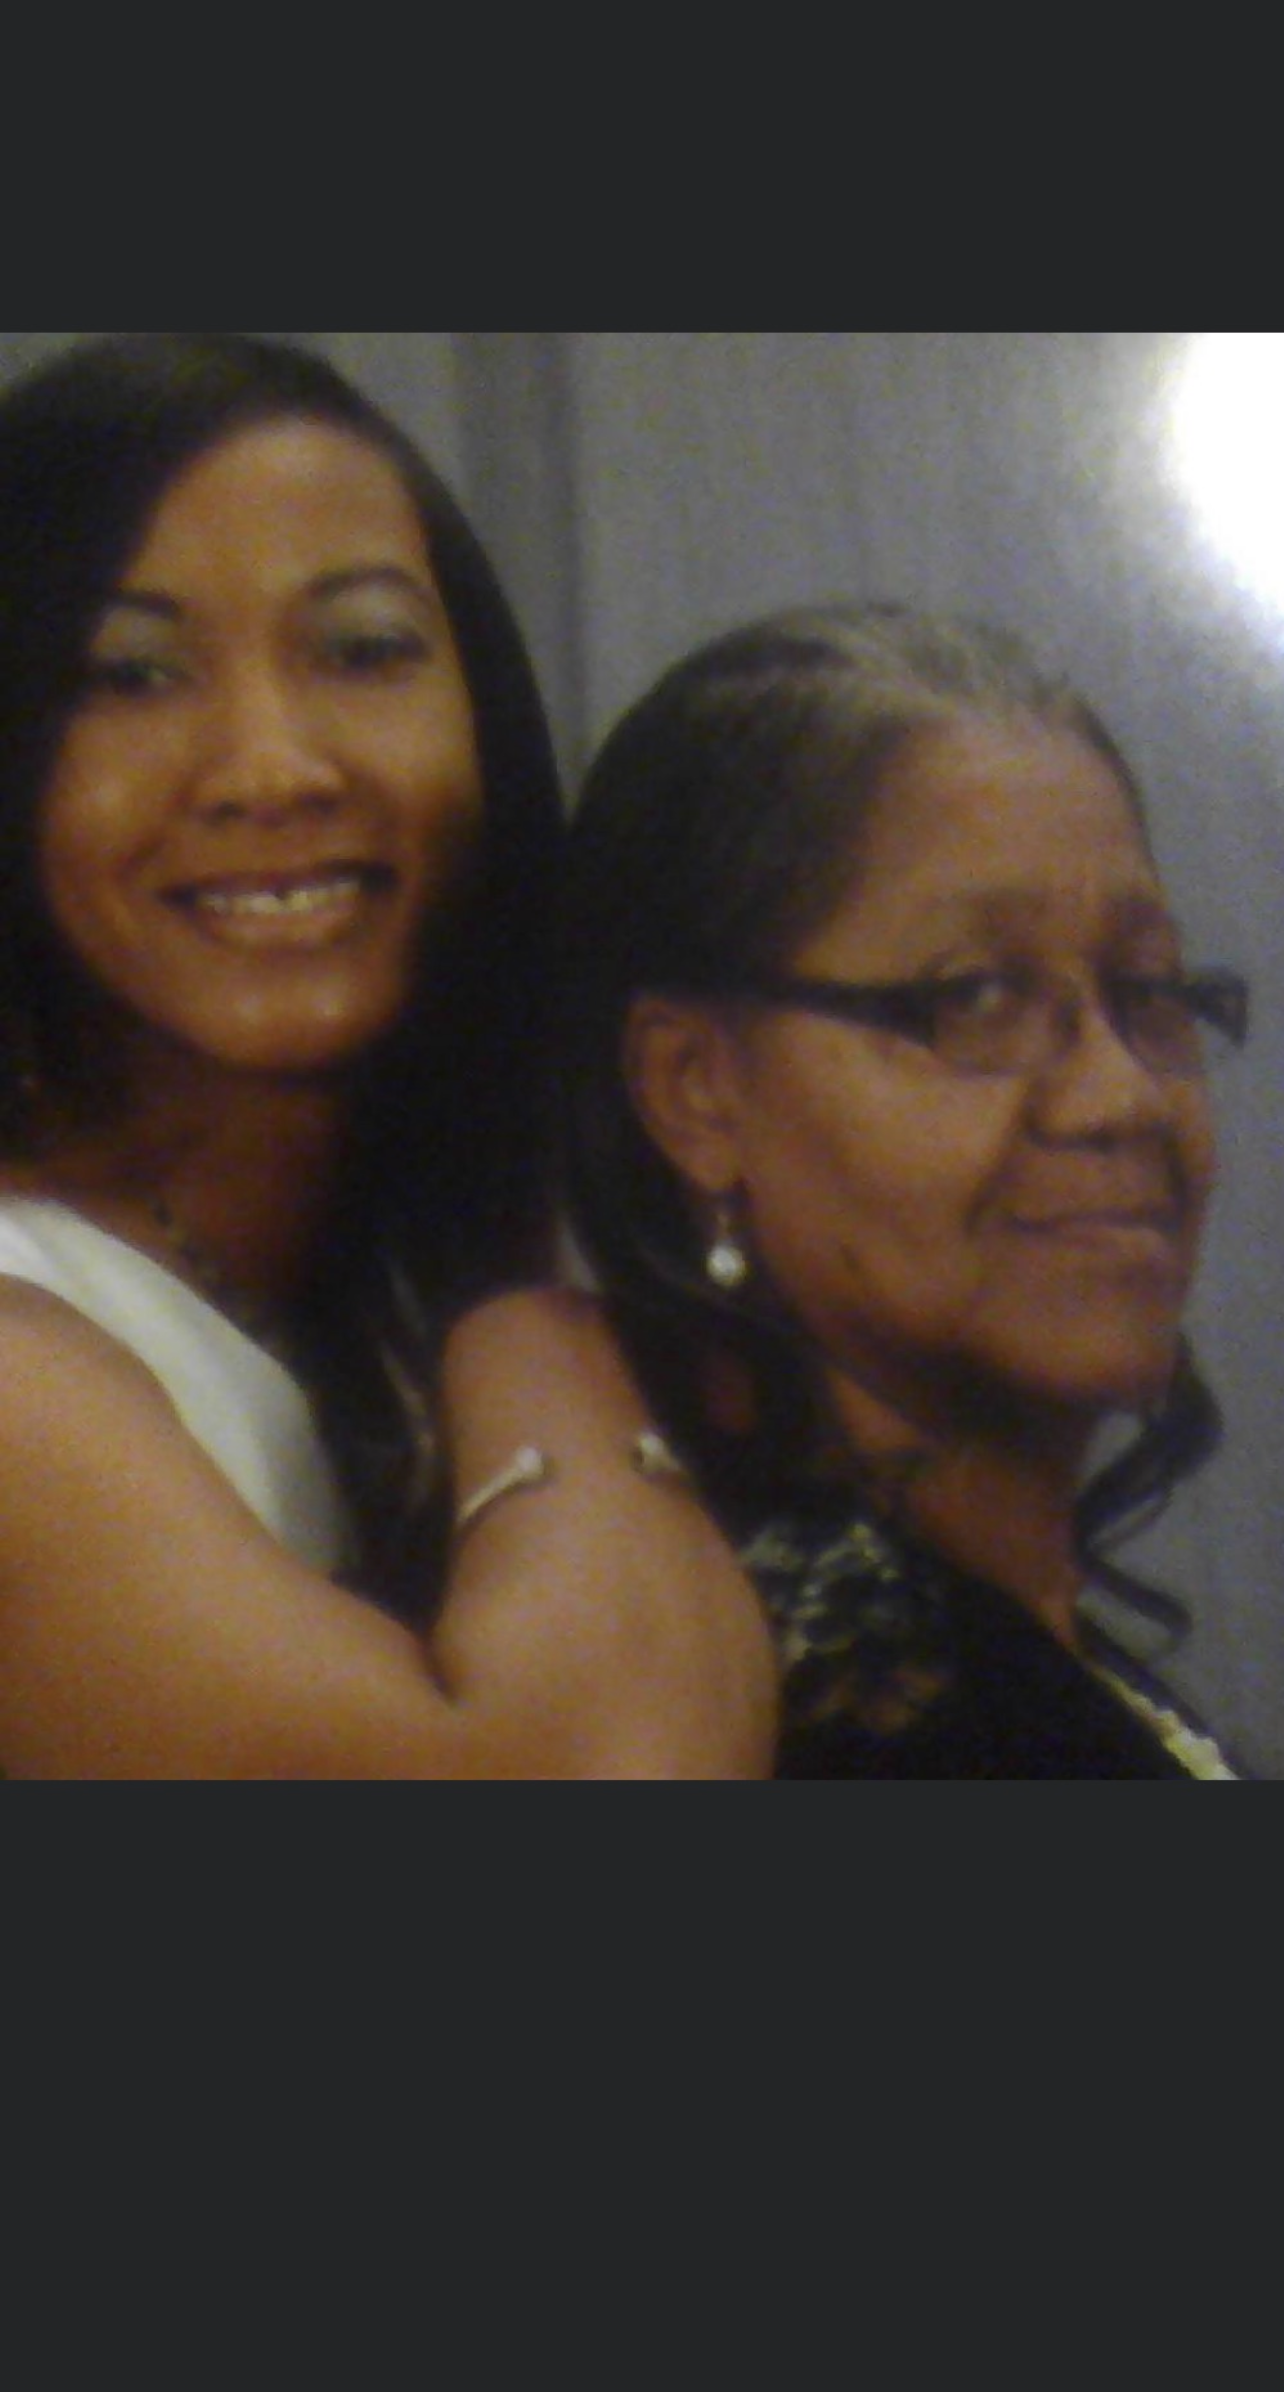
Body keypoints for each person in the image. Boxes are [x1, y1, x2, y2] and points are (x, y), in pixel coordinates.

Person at [0, 333, 776, 1779]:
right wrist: (547, 1335)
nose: (275, 764)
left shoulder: (360, 1308)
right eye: (133, 672)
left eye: (361, 650)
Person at [554, 602, 1250, 1778]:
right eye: (974, 996)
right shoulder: (809, 1710)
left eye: (1149, 988)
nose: (1118, 1096)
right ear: (697, 1090)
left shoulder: (982, 1653)